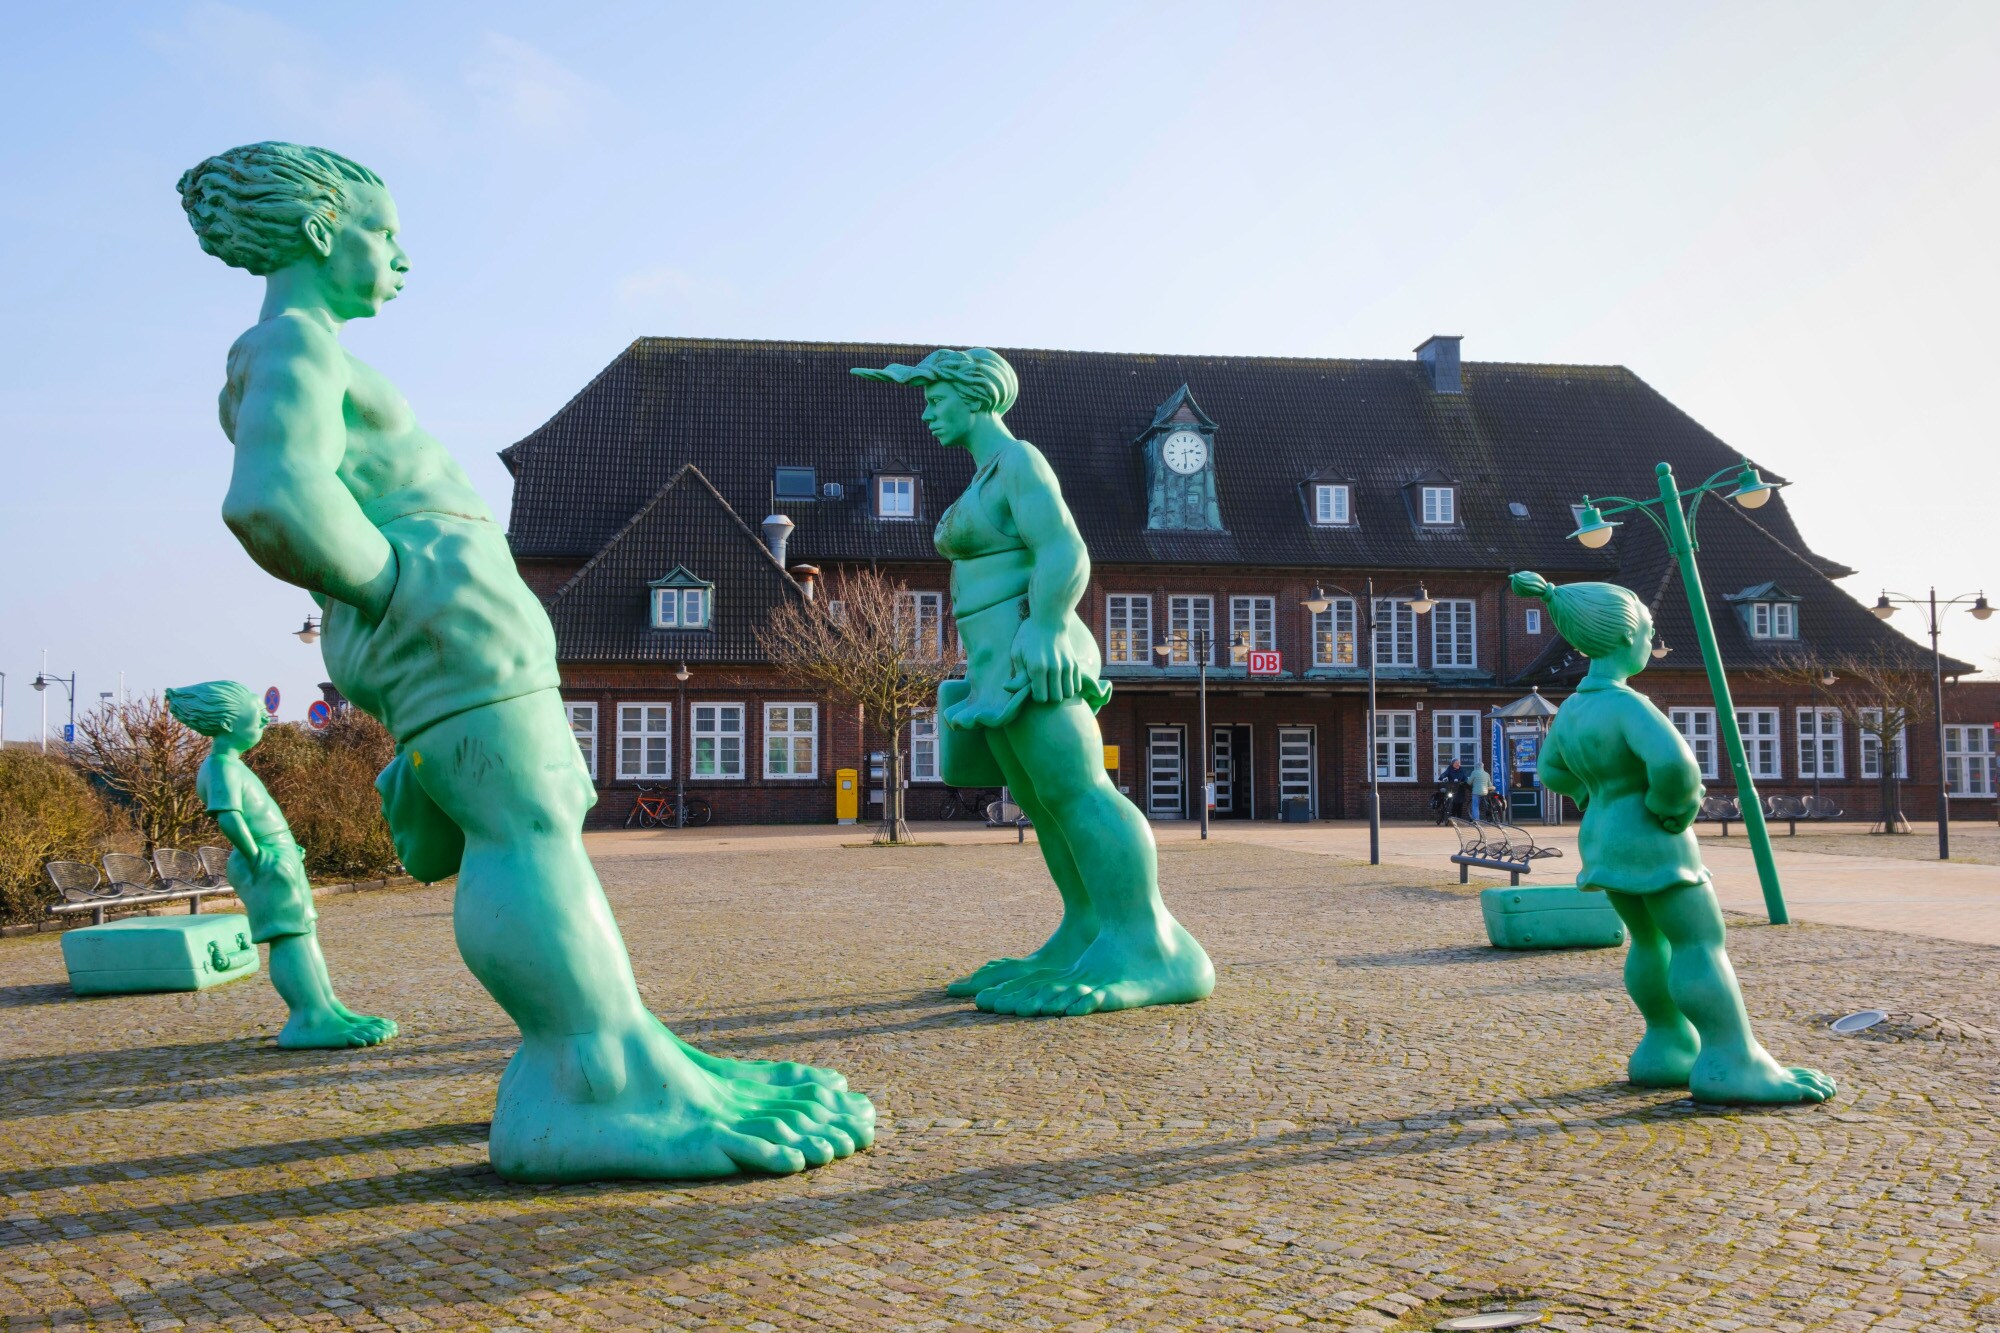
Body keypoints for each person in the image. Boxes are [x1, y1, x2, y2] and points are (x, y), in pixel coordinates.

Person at [178, 142, 873, 1180]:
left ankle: (625, 1047)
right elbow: (273, 497)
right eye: (384, 234)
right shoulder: (294, 346)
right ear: (324, 233)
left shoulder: (298, 348)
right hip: (445, 617)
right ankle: (587, 1082)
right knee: (523, 834)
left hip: (452, 619)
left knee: (537, 819)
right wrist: (406, 587)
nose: (400, 257)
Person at [853, 349, 1215, 1017]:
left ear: (974, 395)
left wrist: (1047, 625)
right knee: (1043, 806)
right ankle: (1085, 928)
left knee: (1080, 793)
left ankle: (1150, 945)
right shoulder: (985, 477)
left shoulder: (1020, 462)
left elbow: (1064, 547)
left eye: (935, 398)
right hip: (996, 668)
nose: (928, 413)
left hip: (1033, 655)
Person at [1510, 571, 1834, 1105]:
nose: (1651, 642)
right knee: (1699, 942)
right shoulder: (1628, 704)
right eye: (1648, 631)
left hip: (1603, 840)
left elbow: (1550, 772)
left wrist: (1592, 796)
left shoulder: (1572, 709)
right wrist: (1668, 812)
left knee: (1648, 941)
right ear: (1622, 637)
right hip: (1652, 842)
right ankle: (1733, 1060)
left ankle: (1666, 1045)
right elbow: (1677, 768)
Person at [168, 681, 396, 1050]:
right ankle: (308, 1019)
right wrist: (259, 856)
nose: (263, 717)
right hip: (266, 860)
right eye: (256, 714)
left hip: (277, 855)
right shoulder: (222, 767)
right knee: (289, 939)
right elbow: (229, 818)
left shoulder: (229, 765)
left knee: (304, 936)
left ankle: (328, 1008)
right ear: (227, 723)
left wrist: (284, 847)